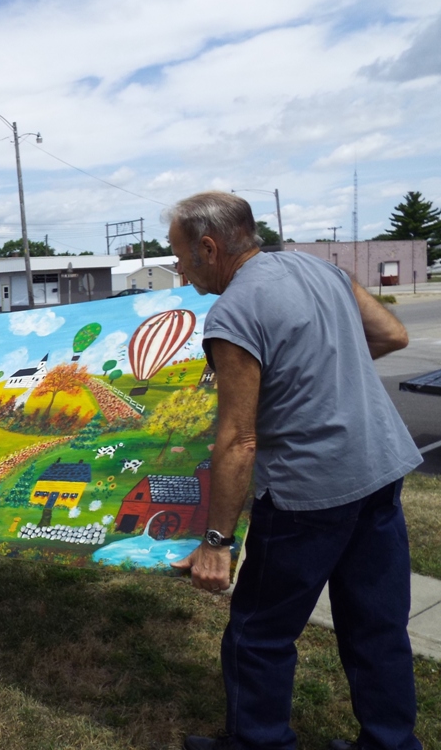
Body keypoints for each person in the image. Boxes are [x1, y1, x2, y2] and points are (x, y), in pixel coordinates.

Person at [165, 192, 423, 750]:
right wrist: (323, 373)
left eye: (179, 254)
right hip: (380, 466)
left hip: (310, 490)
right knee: (377, 624)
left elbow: (238, 440)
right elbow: (390, 335)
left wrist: (217, 544)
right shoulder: (318, 268)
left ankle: (259, 742)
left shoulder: (233, 312)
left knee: (260, 632)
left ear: (208, 248)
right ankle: (391, 742)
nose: (178, 267)